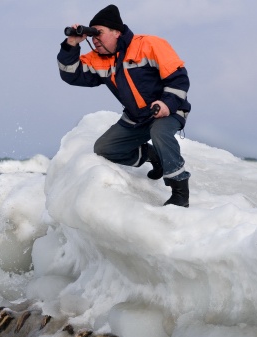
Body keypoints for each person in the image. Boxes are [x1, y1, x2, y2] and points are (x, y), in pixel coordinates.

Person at [57, 4, 191, 207]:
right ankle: (151, 155)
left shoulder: (149, 44)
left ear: (116, 32)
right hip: (136, 117)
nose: (95, 40)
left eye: (99, 33)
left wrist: (166, 104)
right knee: (104, 148)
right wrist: (72, 44)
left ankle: (180, 191)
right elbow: (70, 74)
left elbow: (179, 79)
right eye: (92, 35)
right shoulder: (100, 60)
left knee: (160, 133)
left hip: (168, 110)